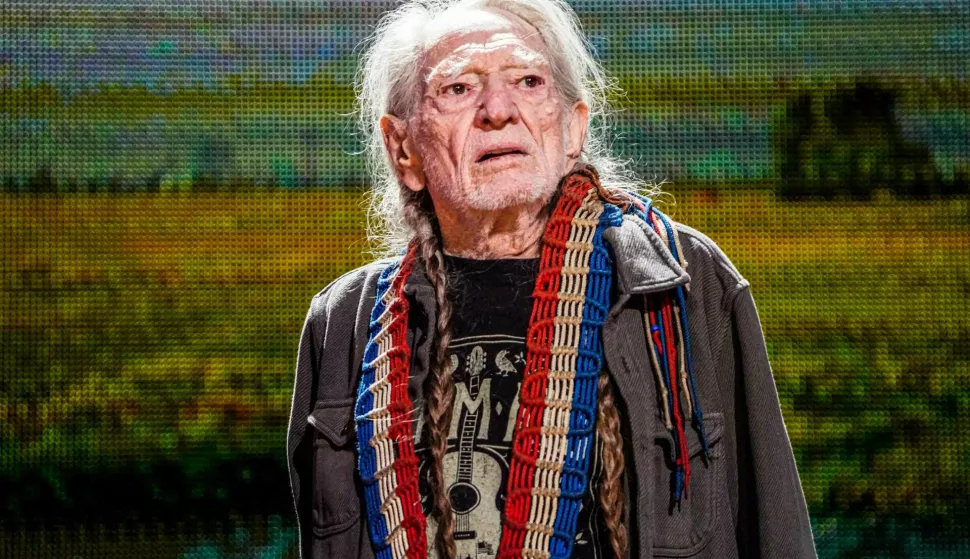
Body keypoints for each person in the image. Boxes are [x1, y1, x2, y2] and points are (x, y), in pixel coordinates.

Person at [286, 0, 818, 557]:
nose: (498, 109)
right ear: (404, 149)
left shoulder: (680, 279)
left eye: (529, 80)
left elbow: (776, 532)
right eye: (459, 88)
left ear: (572, 128)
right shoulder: (344, 321)